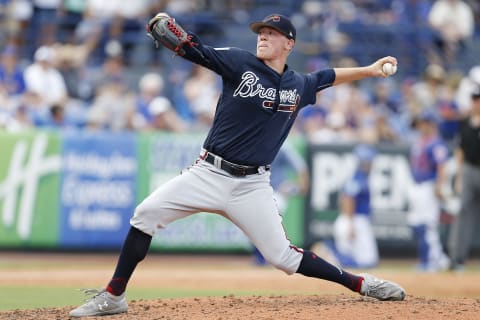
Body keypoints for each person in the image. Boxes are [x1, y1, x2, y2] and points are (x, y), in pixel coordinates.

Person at [70, 13, 405, 317]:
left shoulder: (298, 85)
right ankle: (114, 295)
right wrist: (180, 39)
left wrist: (370, 70)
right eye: (261, 31)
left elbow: (327, 77)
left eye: (272, 33)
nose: (262, 36)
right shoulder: (240, 63)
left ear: (289, 43)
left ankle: (361, 284)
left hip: (252, 186)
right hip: (208, 173)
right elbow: (198, 51)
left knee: (283, 258)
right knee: (145, 214)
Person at [321, 144, 379, 269]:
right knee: (366, 262)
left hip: (351, 220)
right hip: (354, 221)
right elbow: (348, 199)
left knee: (363, 262)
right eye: (370, 161)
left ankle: (330, 252)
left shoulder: (358, 177)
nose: (372, 164)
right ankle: (330, 253)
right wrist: (350, 223)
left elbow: (344, 198)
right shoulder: (358, 178)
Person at [407, 111, 450, 272]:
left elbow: (441, 166)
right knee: (417, 225)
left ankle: (432, 261)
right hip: (417, 185)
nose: (422, 125)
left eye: (425, 122)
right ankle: (436, 259)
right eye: (421, 122)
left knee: (428, 225)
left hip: (429, 186)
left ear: (432, 124)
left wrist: (439, 186)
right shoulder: (419, 142)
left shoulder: (436, 143)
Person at [447, 85, 480, 271]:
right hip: (468, 169)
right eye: (475, 99)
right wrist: (459, 176)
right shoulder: (465, 122)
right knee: (462, 214)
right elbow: (460, 150)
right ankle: (457, 259)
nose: (477, 102)